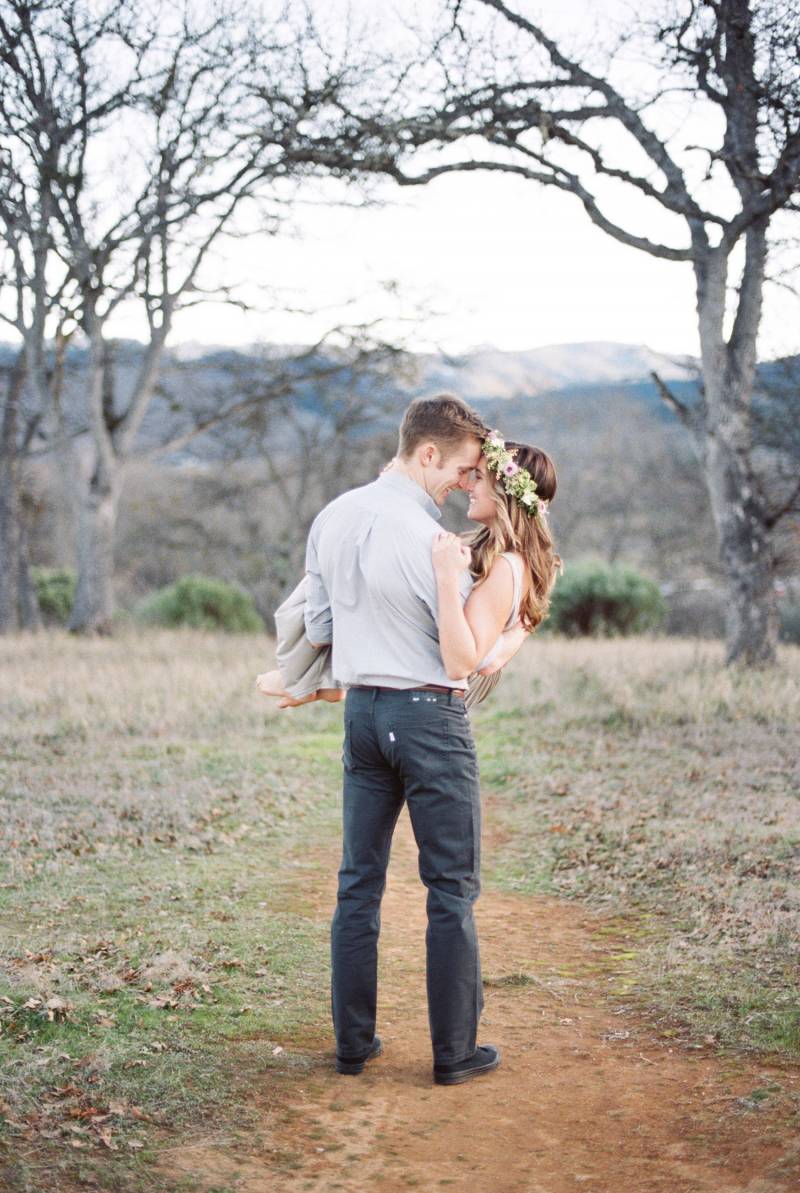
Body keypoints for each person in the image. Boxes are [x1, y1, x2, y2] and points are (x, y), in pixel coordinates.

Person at [295, 394, 507, 1086]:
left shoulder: (332, 516)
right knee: (449, 887)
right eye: (463, 469)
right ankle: (455, 1054)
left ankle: (352, 1046)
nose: (465, 483)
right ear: (426, 454)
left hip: (362, 716)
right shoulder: (432, 542)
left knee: (358, 882)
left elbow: (319, 629)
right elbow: (461, 650)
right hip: (428, 718)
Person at [431, 434, 560, 686]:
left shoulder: (507, 566)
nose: (468, 486)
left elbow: (470, 660)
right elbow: (488, 658)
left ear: (506, 491)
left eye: (478, 477)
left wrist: (445, 576)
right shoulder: (490, 555)